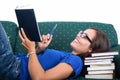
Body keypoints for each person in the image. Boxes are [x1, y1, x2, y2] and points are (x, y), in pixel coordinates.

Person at [0, 22, 110, 80]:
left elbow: (40, 78)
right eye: (81, 32)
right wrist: (40, 49)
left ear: (91, 48)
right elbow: (34, 63)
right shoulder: (67, 55)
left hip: (13, 69)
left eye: (85, 36)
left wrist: (32, 50)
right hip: (13, 63)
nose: (79, 35)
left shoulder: (77, 62)